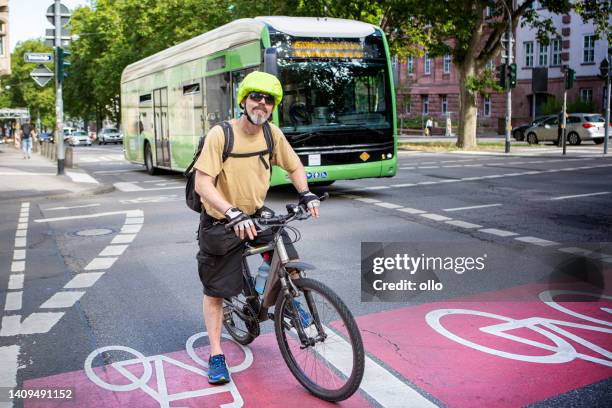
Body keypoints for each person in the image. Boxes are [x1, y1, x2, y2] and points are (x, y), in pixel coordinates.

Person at [193, 71, 320, 385]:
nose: (261, 104)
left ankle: (286, 302)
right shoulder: (221, 135)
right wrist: (231, 211)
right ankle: (216, 354)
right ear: (244, 100)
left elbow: (293, 165)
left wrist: (305, 193)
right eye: (256, 97)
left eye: (268, 100)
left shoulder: (271, 134)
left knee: (287, 258)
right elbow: (202, 183)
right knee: (215, 293)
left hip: (255, 215)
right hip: (222, 221)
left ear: (273, 106)